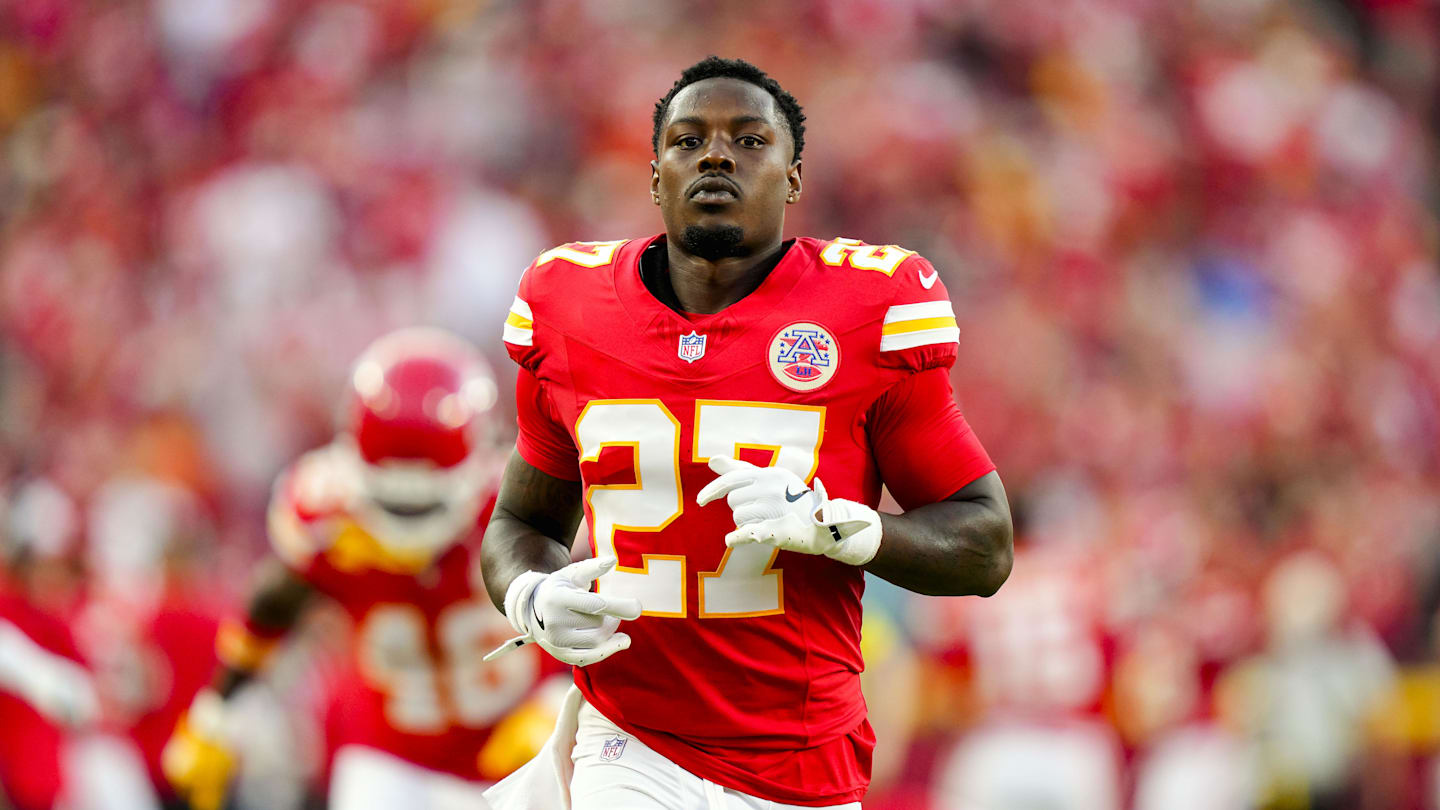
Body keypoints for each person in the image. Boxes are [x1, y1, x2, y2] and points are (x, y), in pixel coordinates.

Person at [480, 57, 1014, 809]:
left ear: (794, 179)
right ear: (655, 175)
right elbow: (521, 522)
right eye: (688, 139)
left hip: (805, 755)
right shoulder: (568, 304)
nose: (717, 155)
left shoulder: (868, 308)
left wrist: (846, 532)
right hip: (630, 735)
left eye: (750, 140)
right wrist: (530, 594)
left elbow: (985, 545)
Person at [163, 327, 557, 810]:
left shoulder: (519, 507)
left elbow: (608, 612)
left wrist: (558, 704)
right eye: (390, 504)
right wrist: (216, 715)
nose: (407, 531)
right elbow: (273, 605)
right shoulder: (329, 518)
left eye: (425, 507)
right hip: (389, 754)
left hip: (521, 745)